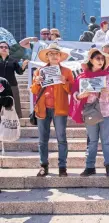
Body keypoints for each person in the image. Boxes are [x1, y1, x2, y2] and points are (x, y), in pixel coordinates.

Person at [70, 48, 109, 177]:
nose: (101, 61)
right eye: (98, 58)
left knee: (106, 140)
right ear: (91, 60)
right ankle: (90, 166)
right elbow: (74, 94)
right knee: (92, 141)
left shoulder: (108, 76)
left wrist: (108, 91)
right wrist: (81, 95)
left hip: (106, 112)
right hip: (90, 111)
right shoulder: (82, 77)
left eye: (102, 59)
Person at [31, 43, 74, 177]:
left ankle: (62, 167)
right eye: (51, 54)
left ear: (60, 57)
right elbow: (34, 90)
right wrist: (37, 82)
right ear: (47, 57)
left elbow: (72, 90)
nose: (54, 56)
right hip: (43, 108)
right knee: (42, 140)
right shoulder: (39, 71)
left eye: (56, 54)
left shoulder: (67, 72)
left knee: (62, 138)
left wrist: (64, 82)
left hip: (59, 109)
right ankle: (44, 165)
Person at [0, 41, 29, 118]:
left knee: (14, 103)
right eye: (1, 47)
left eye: (6, 47)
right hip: (0, 85)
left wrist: (23, 66)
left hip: (12, 85)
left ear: (8, 50)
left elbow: (19, 72)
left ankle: (17, 118)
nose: (4, 48)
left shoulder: (13, 60)